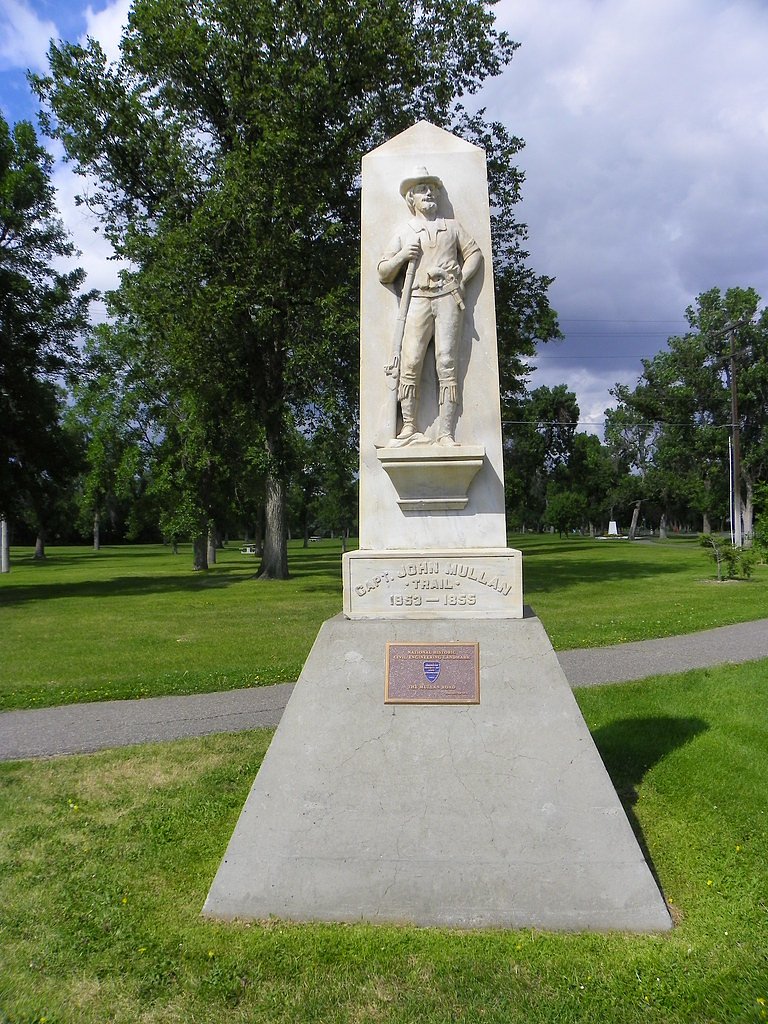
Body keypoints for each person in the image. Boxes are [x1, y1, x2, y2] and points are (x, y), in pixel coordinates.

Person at [377, 165, 482, 445]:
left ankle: (446, 432)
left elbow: (474, 254)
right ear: (411, 198)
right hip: (417, 298)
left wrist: (461, 279)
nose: (429, 193)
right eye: (422, 189)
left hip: (448, 297)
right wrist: (402, 256)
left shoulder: (452, 226)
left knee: (446, 363)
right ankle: (409, 426)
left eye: (432, 189)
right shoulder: (405, 231)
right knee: (410, 361)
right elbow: (383, 271)